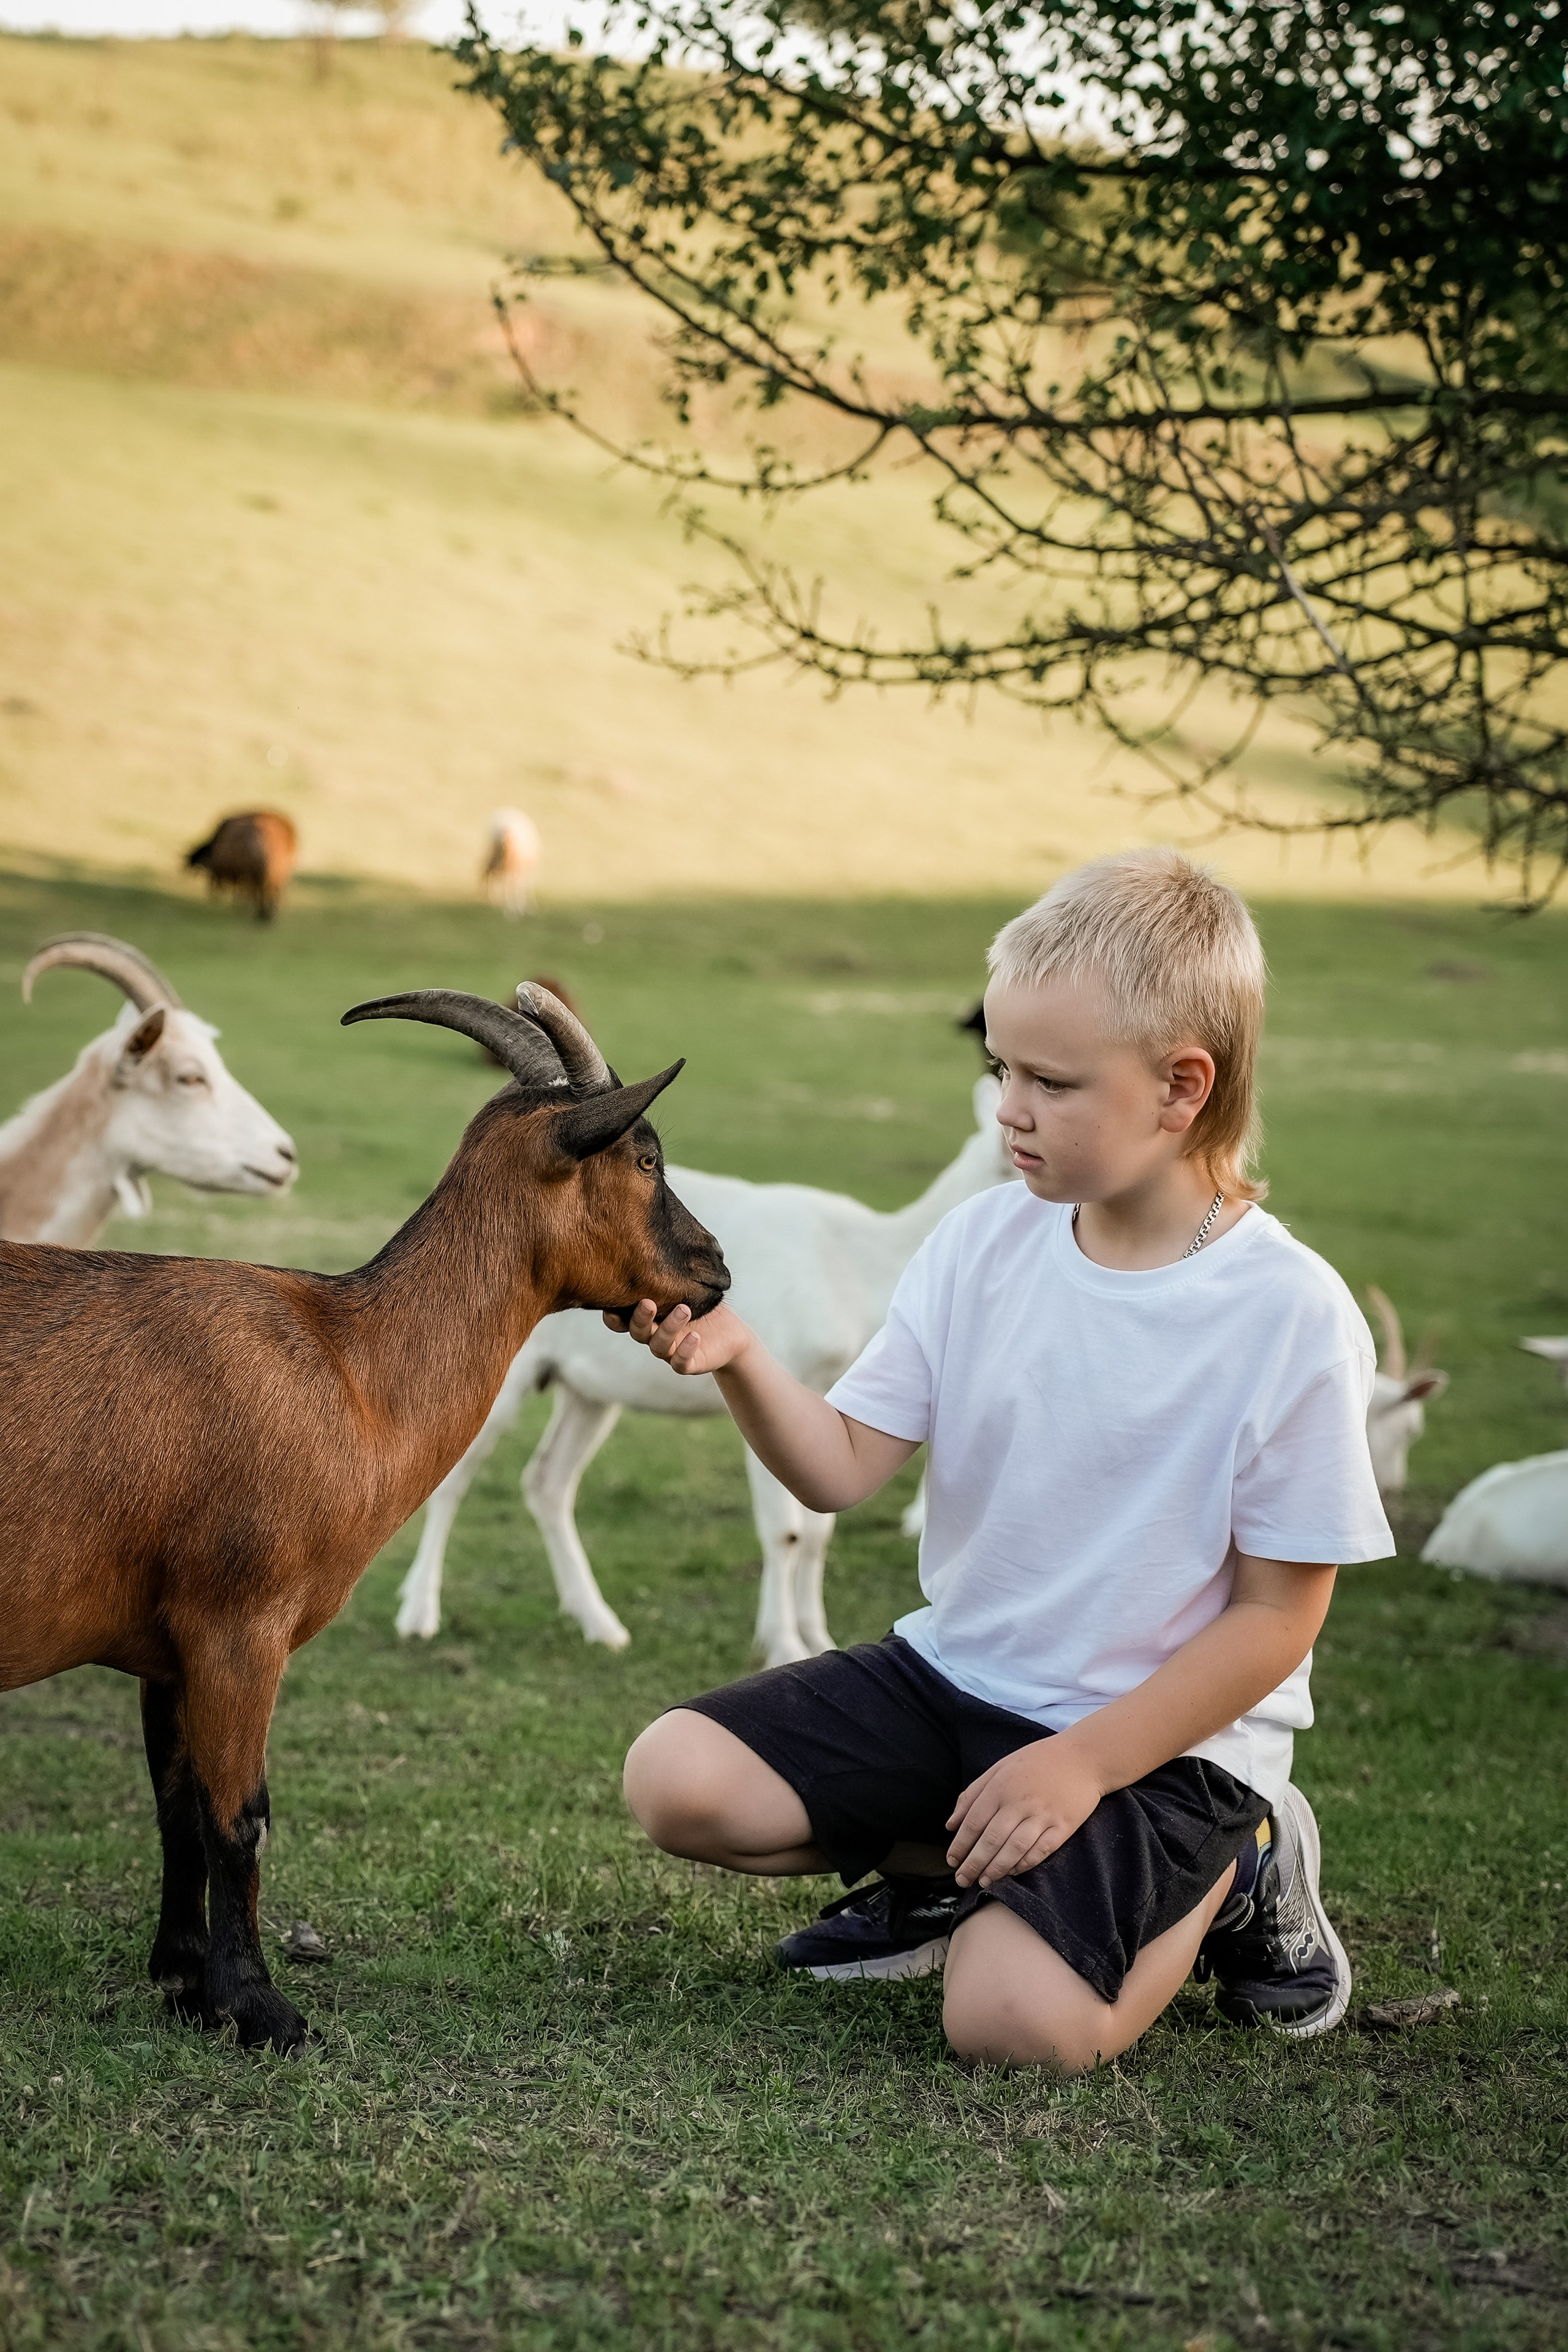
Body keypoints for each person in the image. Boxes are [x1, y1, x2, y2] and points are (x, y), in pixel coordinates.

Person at [614, 848, 1393, 2071]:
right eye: (997, 1069)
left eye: (1048, 1081)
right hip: (957, 1684)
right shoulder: (982, 1242)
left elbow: (1273, 1624)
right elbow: (838, 1468)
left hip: (1159, 1750)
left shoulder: (1287, 1313)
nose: (1005, 1109)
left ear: (1181, 1087)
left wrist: (1081, 1763)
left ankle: (1241, 1864)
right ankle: (950, 1869)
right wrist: (741, 1359)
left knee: (1007, 2023)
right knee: (677, 1779)